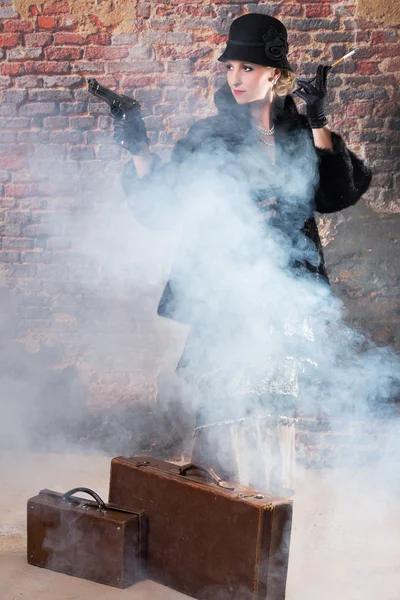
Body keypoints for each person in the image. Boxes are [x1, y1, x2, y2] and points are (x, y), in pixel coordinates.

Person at [114, 13, 372, 495]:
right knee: (223, 408)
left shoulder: (299, 134)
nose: (234, 77)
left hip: (286, 295)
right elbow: (162, 206)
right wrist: (138, 148)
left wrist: (318, 124)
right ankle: (217, 522)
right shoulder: (207, 137)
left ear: (276, 73)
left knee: (275, 409)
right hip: (226, 292)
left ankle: (269, 518)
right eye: (230, 66)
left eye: (247, 68)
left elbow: (337, 195)